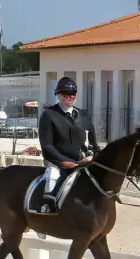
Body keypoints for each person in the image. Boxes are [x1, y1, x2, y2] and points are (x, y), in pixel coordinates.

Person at [36, 77, 98, 214]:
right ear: (58, 95)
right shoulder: (49, 115)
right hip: (58, 162)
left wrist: (96, 154)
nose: (70, 97)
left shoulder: (83, 115)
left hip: (84, 161)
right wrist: (64, 161)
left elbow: (93, 142)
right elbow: (47, 146)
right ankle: (46, 209)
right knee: (52, 177)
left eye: (73, 94)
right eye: (65, 94)